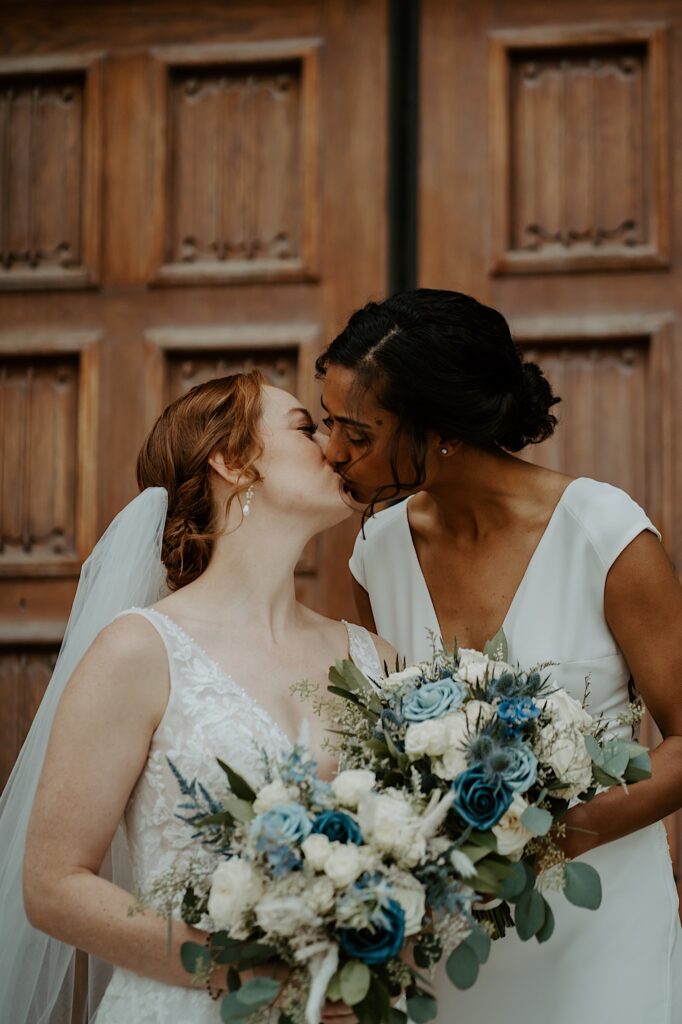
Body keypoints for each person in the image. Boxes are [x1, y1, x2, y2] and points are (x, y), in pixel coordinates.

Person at [316, 288, 682, 1024]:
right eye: (328, 424)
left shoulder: (603, 533)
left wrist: (539, 843)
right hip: (452, 943)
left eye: (357, 433)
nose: (332, 453)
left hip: (601, 925)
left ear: (443, 431)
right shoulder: (373, 553)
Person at [2, 372, 393, 1024]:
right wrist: (245, 969)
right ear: (232, 461)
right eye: (306, 426)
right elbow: (53, 886)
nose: (335, 446)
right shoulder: (140, 651)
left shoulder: (376, 660)